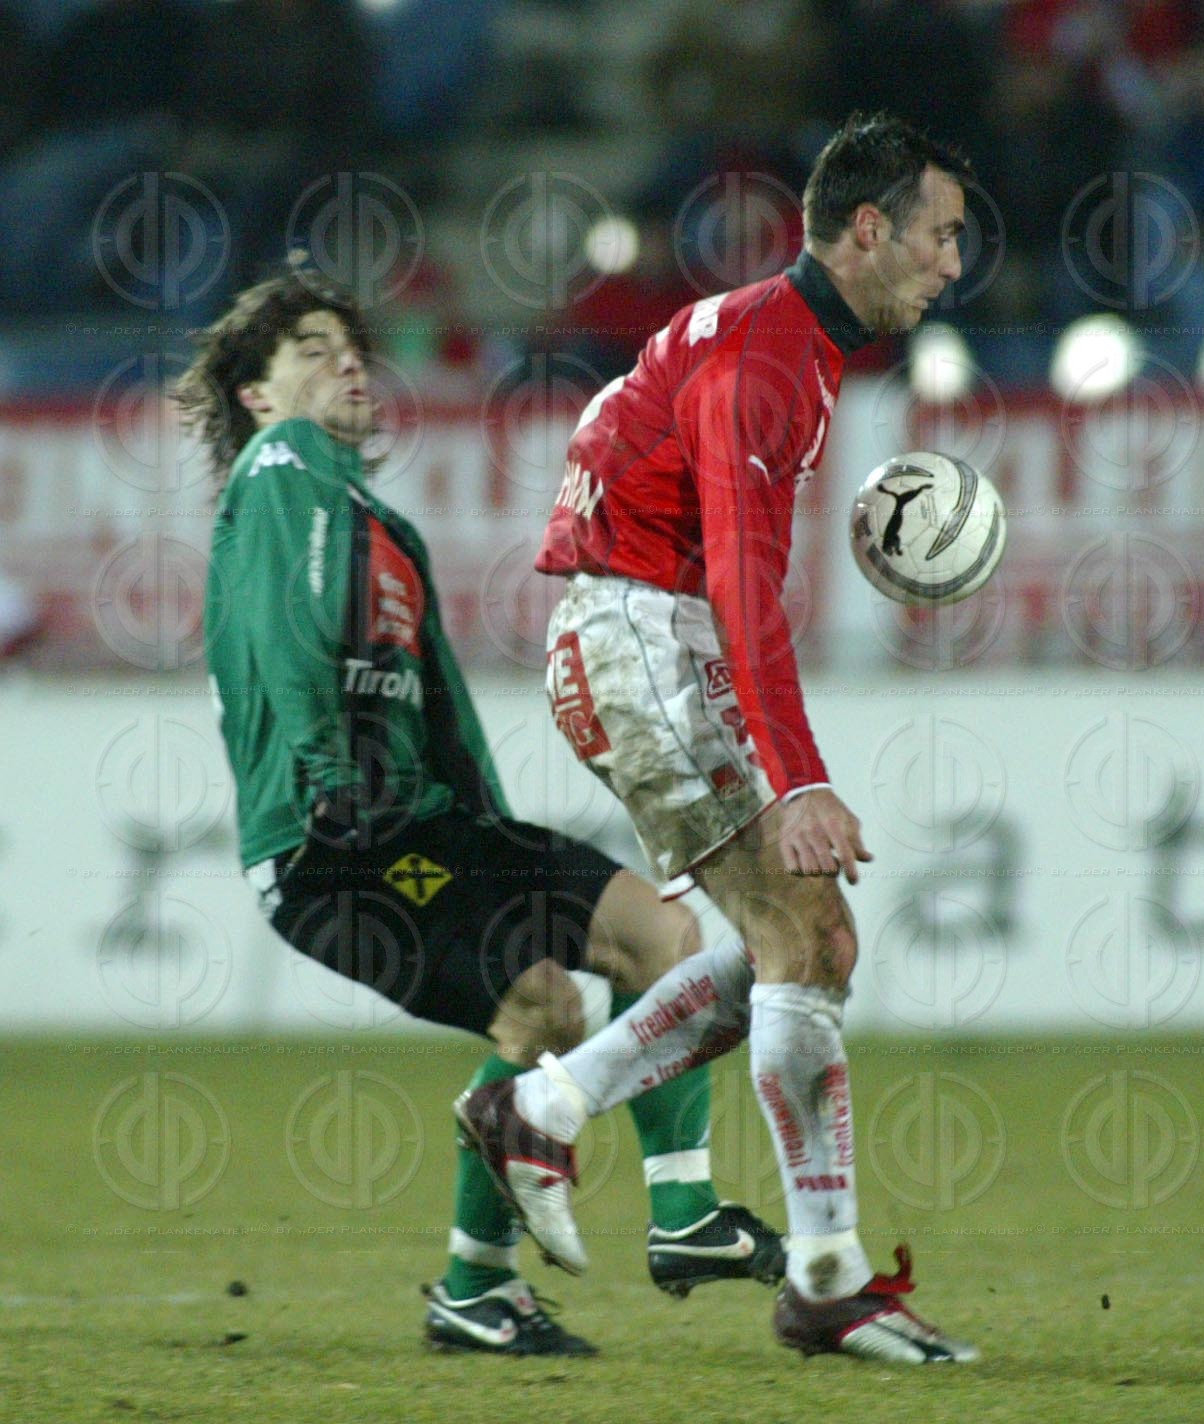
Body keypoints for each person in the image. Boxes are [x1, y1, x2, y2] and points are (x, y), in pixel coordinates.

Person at [175, 272, 784, 1358]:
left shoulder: (376, 521)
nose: (345, 362)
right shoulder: (283, 469)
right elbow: (282, 631)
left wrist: (492, 834)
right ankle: (530, 1267)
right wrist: (324, 775)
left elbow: (439, 711)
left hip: (416, 824)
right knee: (566, 991)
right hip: (329, 842)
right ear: (256, 398)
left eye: (351, 346)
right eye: (310, 350)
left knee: (641, 950)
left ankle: (624, 1233)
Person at [456, 112, 980, 1364]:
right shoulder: (765, 359)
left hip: (643, 632)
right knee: (800, 929)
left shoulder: (777, 338)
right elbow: (746, 588)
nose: (953, 265)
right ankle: (824, 1278)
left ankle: (544, 1104)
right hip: (637, 636)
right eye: (940, 235)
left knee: (809, 937)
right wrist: (798, 777)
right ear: (869, 229)